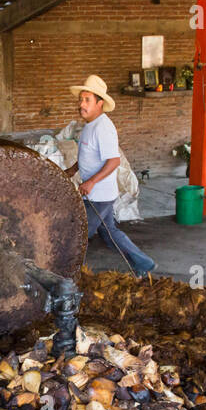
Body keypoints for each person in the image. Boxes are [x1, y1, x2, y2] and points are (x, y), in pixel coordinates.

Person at [64, 74, 156, 276]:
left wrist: (90, 182)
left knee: (76, 237)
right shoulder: (89, 126)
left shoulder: (104, 128)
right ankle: (144, 264)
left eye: (87, 100)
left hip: (99, 196)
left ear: (100, 103)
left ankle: (65, 276)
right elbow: (89, 156)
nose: (82, 104)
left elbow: (113, 161)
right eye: (81, 99)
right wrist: (72, 170)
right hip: (96, 193)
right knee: (110, 234)